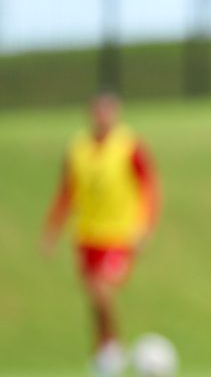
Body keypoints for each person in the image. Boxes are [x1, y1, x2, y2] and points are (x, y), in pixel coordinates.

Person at [41, 92, 161, 376]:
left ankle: (114, 349)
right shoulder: (78, 148)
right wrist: (52, 229)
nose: (103, 117)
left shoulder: (129, 146)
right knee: (94, 301)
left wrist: (146, 225)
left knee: (101, 290)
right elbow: (66, 192)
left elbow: (150, 187)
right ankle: (104, 356)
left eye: (109, 112)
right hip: (87, 236)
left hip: (119, 235)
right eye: (98, 111)